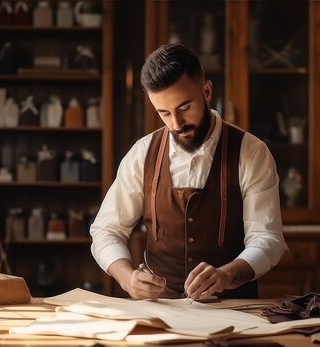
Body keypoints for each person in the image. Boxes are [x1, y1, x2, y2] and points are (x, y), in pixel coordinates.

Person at [90, 43, 287, 300]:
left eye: (184, 108)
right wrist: (127, 277)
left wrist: (226, 275)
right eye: (164, 113)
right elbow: (107, 230)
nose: (176, 124)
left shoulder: (251, 153)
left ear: (206, 92)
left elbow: (267, 239)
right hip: (160, 311)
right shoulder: (142, 154)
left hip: (234, 312)